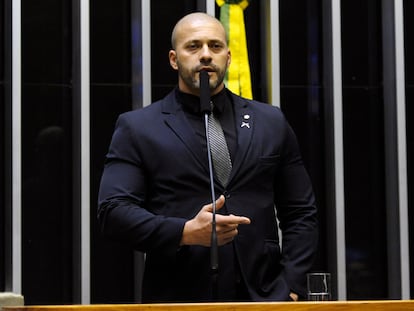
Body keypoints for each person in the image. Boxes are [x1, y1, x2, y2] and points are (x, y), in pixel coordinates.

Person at [98, 12, 318, 303]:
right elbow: (113, 212)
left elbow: (301, 211)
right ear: (174, 59)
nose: (205, 55)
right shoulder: (139, 127)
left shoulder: (270, 121)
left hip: (265, 297)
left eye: (215, 46)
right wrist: (184, 232)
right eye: (193, 46)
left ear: (228, 57)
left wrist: (291, 285)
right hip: (179, 296)